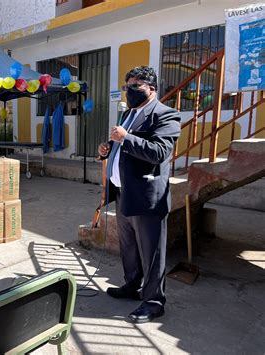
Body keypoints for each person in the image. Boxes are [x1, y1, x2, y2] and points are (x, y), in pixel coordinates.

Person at [98, 66, 181, 323]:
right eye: (127, 87)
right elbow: (121, 146)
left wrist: (125, 138)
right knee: (129, 247)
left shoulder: (166, 115)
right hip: (124, 193)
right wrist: (107, 149)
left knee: (151, 251)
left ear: (151, 89)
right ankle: (132, 285)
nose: (130, 91)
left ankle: (154, 301)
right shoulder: (128, 115)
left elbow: (158, 152)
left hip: (147, 197)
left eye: (135, 87)